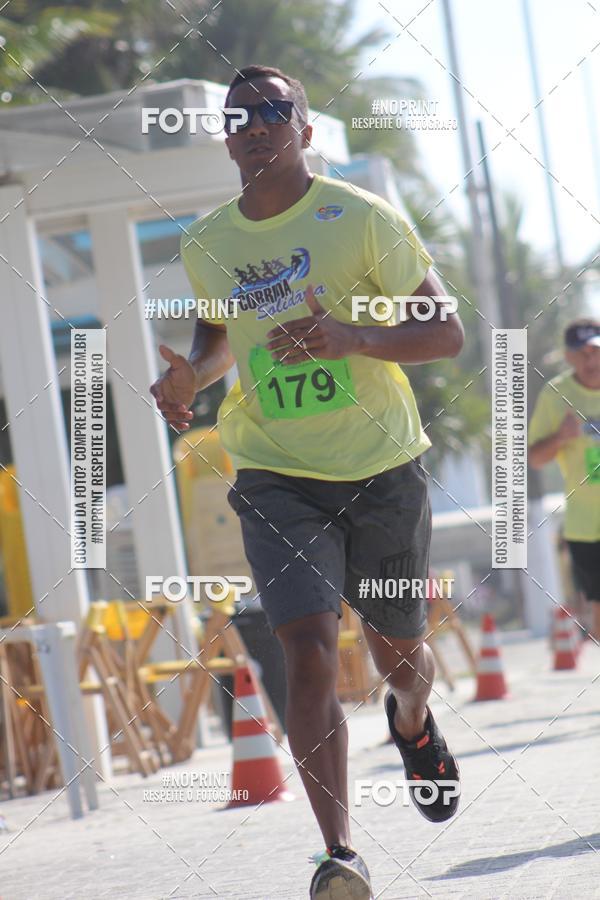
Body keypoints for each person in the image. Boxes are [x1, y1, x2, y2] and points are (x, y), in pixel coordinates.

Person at [150, 64, 464, 900]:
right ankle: (341, 856)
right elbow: (221, 340)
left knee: (400, 656)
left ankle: (412, 717)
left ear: (305, 129)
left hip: (381, 469)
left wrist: (350, 338)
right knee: (307, 650)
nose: (255, 124)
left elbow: (448, 332)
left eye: (273, 110)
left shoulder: (361, 218)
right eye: (239, 115)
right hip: (275, 472)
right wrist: (193, 381)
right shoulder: (208, 241)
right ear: (224, 138)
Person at [529, 318, 600, 639]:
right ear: (568, 357)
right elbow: (534, 458)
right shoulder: (556, 395)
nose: (590, 361)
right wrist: (560, 437)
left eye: (594, 351)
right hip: (586, 525)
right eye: (581, 354)